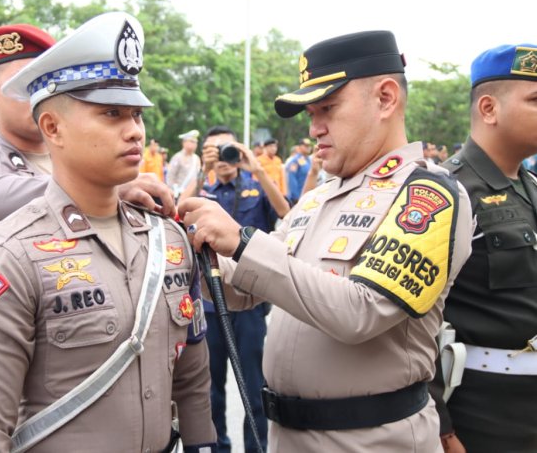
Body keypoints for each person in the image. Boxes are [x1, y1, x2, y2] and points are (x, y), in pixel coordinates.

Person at [179, 30, 474, 451]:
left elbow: (362, 312)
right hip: (288, 436)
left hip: (370, 440)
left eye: (328, 109)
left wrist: (242, 242)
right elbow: (246, 288)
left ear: (386, 98)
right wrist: (177, 250)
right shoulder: (318, 198)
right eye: (310, 113)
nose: (314, 128)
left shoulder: (427, 195)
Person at [0, 11, 216, 452]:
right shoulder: (8, 256)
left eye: (136, 114)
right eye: (111, 113)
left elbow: (190, 376)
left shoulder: (166, 239)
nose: (134, 131)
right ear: (52, 127)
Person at [0, 23, 176, 276]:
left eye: (46, 85)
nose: (38, 97)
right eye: (27, 87)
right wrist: (93, 190)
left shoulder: (94, 160)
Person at [432, 43, 537, 452]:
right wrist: (441, 427)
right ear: (489, 109)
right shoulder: (447, 190)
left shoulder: (529, 188)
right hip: (478, 410)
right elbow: (411, 327)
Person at [181, 125, 289, 453]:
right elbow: (176, 214)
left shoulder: (255, 189)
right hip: (209, 307)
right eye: (215, 151)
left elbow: (286, 213)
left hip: (250, 304)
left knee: (255, 388)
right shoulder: (202, 190)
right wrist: (202, 171)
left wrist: (256, 169)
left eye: (228, 150)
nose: (223, 159)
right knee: (210, 391)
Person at [166, 129, 201, 199]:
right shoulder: (177, 157)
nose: (194, 144)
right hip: (177, 195)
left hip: (191, 196)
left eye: (195, 142)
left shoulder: (197, 158)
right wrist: (173, 192)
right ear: (184, 143)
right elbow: (170, 177)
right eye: (191, 141)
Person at [285, 137, 313, 205]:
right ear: (299, 147)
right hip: (298, 198)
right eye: (306, 146)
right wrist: (296, 197)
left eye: (309, 146)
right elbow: (292, 179)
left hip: (309, 196)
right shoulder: (295, 161)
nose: (308, 147)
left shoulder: (309, 160)